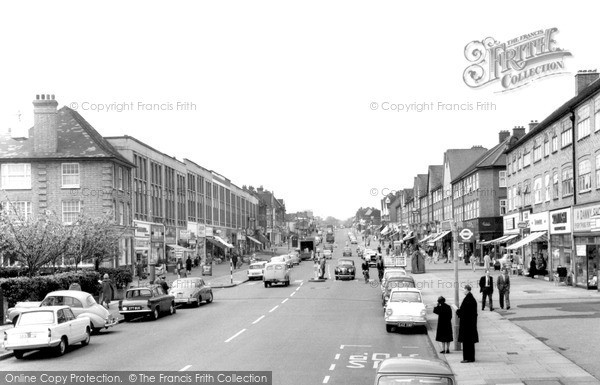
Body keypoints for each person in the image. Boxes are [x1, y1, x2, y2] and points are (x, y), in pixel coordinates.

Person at [457, 284, 479, 363]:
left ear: (467, 290)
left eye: (464, 289)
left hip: (467, 325)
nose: (463, 291)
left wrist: (457, 311)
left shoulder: (468, 299)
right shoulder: (471, 298)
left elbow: (464, 312)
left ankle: (467, 358)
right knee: (470, 343)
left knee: (466, 342)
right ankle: (471, 357)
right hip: (470, 324)